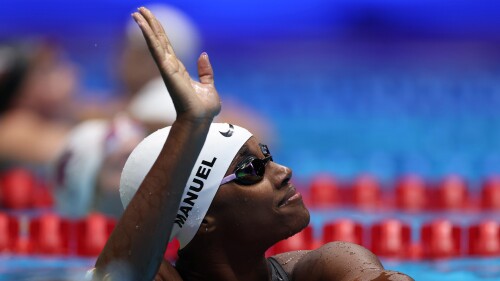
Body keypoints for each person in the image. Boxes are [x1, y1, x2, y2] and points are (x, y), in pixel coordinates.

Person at [91, 7, 414, 281]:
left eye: (269, 158)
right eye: (251, 169)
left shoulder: (327, 269)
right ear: (202, 219)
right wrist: (190, 124)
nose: (284, 171)